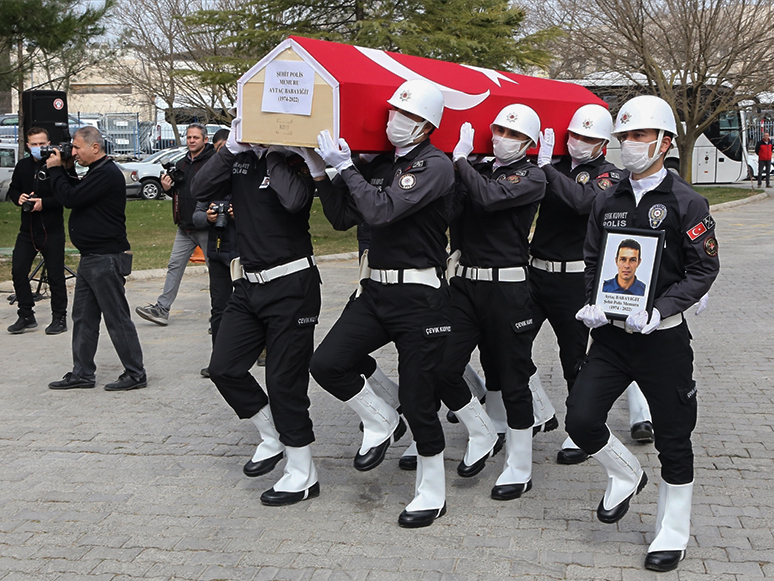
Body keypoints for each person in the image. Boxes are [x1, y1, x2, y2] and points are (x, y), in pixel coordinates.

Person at [568, 95, 720, 572]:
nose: (629, 145)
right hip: (611, 338)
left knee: (675, 438)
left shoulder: (687, 201)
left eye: (638, 136)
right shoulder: (607, 199)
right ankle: (625, 473)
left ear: (664, 142)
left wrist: (663, 309)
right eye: (624, 137)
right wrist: (594, 301)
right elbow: (594, 260)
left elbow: (704, 268)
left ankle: (671, 531)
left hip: (663, 340)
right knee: (581, 420)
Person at [309, 79, 454, 528]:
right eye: (392, 112)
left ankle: (432, 491)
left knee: (419, 397)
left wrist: (346, 168)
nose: (394, 121)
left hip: (420, 296)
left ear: (426, 124)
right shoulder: (383, 163)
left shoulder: (435, 166)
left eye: (405, 116)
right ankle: (382, 420)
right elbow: (343, 217)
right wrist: (321, 173)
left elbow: (382, 211)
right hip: (375, 291)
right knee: (328, 363)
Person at [193, 118, 321, 507]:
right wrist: (233, 147)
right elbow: (198, 188)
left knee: (284, 383)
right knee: (224, 368)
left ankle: (302, 473)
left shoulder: (296, 159)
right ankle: (272, 435)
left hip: (292, 286)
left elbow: (295, 200)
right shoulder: (240, 158)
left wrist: (277, 152)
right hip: (248, 285)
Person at [533, 104, 654, 465]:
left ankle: (578, 431)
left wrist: (544, 170)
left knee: (573, 358)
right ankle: (537, 409)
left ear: (603, 143)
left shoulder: (610, 176)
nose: (578, 143)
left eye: (588, 138)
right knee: (507, 346)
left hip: (574, 278)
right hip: (536, 272)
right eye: (574, 135)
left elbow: (581, 202)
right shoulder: (551, 166)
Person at [439, 104, 545, 501]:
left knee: (512, 379)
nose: (503, 137)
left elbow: (489, 199)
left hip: (508, 288)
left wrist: (462, 161)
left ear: (528, 143)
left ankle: (519, 467)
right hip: (466, 285)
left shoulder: (533, 177)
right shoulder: (478, 170)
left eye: (513, 134)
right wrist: (456, 172)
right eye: (499, 129)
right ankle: (482, 430)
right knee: (442, 365)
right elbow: (453, 212)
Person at [46, 126, 147, 391]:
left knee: (116, 317)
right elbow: (74, 191)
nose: (74, 152)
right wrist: (67, 169)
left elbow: (70, 198)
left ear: (95, 147)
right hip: (91, 258)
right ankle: (82, 372)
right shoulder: (95, 172)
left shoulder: (107, 173)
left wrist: (57, 169)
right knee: (83, 317)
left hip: (106, 258)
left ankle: (136, 373)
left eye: (77, 147)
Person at [135, 123, 215, 326]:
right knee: (174, 266)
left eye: (196, 137)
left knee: (216, 272)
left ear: (205, 140)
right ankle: (162, 309)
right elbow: (178, 193)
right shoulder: (180, 164)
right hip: (184, 226)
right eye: (189, 137)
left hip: (206, 226)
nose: (191, 141)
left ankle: (221, 315)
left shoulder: (213, 162)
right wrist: (166, 188)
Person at [7, 127, 73, 335]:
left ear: (49, 143)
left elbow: (67, 196)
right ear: (27, 146)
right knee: (18, 270)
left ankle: (59, 317)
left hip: (52, 230)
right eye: (34, 144)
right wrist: (19, 198)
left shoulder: (57, 165)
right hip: (27, 230)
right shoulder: (23, 166)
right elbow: (13, 189)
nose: (38, 148)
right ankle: (25, 313)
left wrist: (44, 203)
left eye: (42, 144)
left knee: (55, 276)